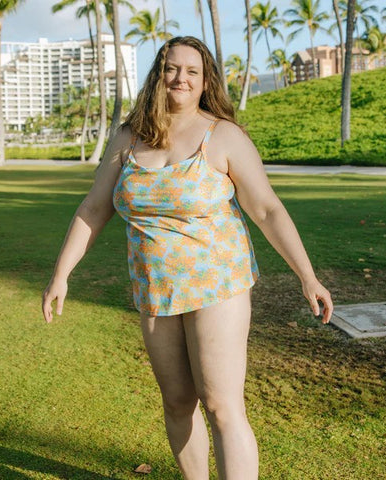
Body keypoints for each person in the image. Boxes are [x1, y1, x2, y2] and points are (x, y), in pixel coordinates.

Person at [42, 36, 333, 480]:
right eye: (171, 68)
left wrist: (307, 276)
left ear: (204, 81)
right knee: (178, 402)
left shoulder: (223, 136)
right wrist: (61, 275)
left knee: (220, 403)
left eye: (191, 71)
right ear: (158, 74)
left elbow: (267, 209)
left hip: (217, 284)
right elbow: (94, 208)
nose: (180, 78)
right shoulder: (128, 137)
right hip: (155, 290)